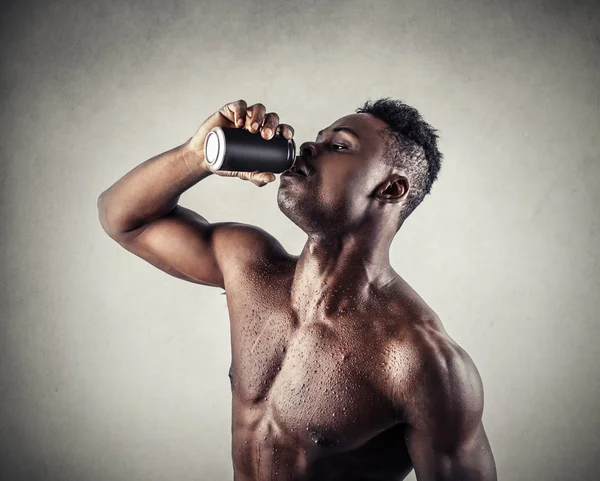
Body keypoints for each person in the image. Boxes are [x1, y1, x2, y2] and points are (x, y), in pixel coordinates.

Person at [97, 98, 497, 480]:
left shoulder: (419, 360)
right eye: (318, 138)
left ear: (391, 189)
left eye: (339, 146)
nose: (308, 146)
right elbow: (123, 218)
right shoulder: (251, 269)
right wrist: (195, 156)